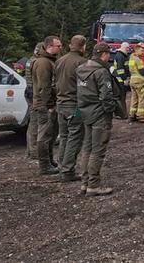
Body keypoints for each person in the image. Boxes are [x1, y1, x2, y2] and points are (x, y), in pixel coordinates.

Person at [76, 42, 119, 196]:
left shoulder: (81, 69)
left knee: (87, 148)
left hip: (86, 112)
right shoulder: (101, 72)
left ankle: (84, 183)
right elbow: (106, 96)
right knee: (98, 150)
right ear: (103, 54)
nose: (109, 57)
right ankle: (93, 185)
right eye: (108, 54)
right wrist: (111, 110)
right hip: (99, 114)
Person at [54, 35, 87, 182]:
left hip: (60, 104)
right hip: (74, 105)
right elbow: (85, 86)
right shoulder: (82, 62)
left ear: (70, 45)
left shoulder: (59, 61)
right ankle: (67, 170)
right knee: (75, 137)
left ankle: (62, 167)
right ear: (83, 47)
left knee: (64, 136)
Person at [32, 35, 62, 175]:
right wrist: (49, 105)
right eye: (58, 46)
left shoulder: (49, 61)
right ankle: (44, 165)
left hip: (48, 103)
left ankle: (50, 160)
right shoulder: (43, 63)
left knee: (51, 133)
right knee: (44, 135)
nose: (60, 48)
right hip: (44, 105)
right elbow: (44, 87)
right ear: (50, 46)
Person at [24, 42, 44, 160]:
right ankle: (33, 150)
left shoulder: (30, 61)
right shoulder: (36, 62)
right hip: (34, 95)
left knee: (33, 123)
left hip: (30, 93)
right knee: (35, 123)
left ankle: (31, 149)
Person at [127, 43, 144, 123]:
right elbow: (142, 71)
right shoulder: (138, 59)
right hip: (139, 82)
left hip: (133, 81)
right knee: (142, 98)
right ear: (136, 50)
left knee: (134, 98)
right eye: (142, 50)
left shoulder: (131, 58)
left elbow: (132, 70)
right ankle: (141, 116)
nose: (143, 52)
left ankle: (132, 115)